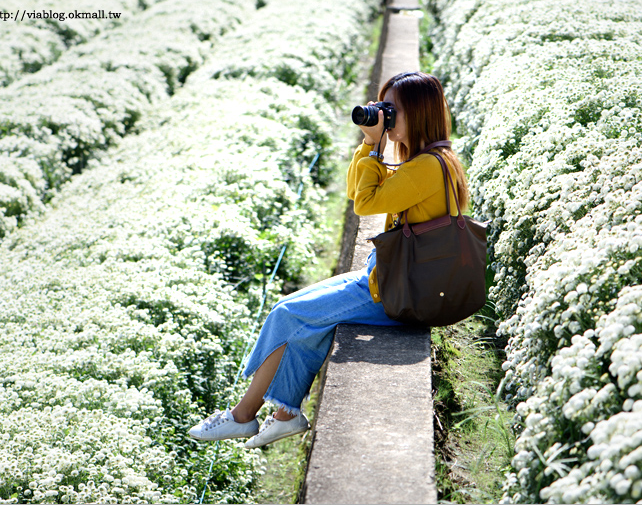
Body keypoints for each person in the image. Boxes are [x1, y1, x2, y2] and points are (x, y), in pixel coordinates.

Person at [188, 72, 470, 448]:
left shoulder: (428, 166)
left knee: (288, 315)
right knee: (300, 317)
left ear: (418, 113)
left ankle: (242, 416)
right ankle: (286, 413)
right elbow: (359, 190)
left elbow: (365, 203)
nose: (383, 117)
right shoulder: (426, 159)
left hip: (398, 289)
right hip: (389, 275)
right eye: (381, 108)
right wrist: (370, 146)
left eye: (391, 111)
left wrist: (373, 148)